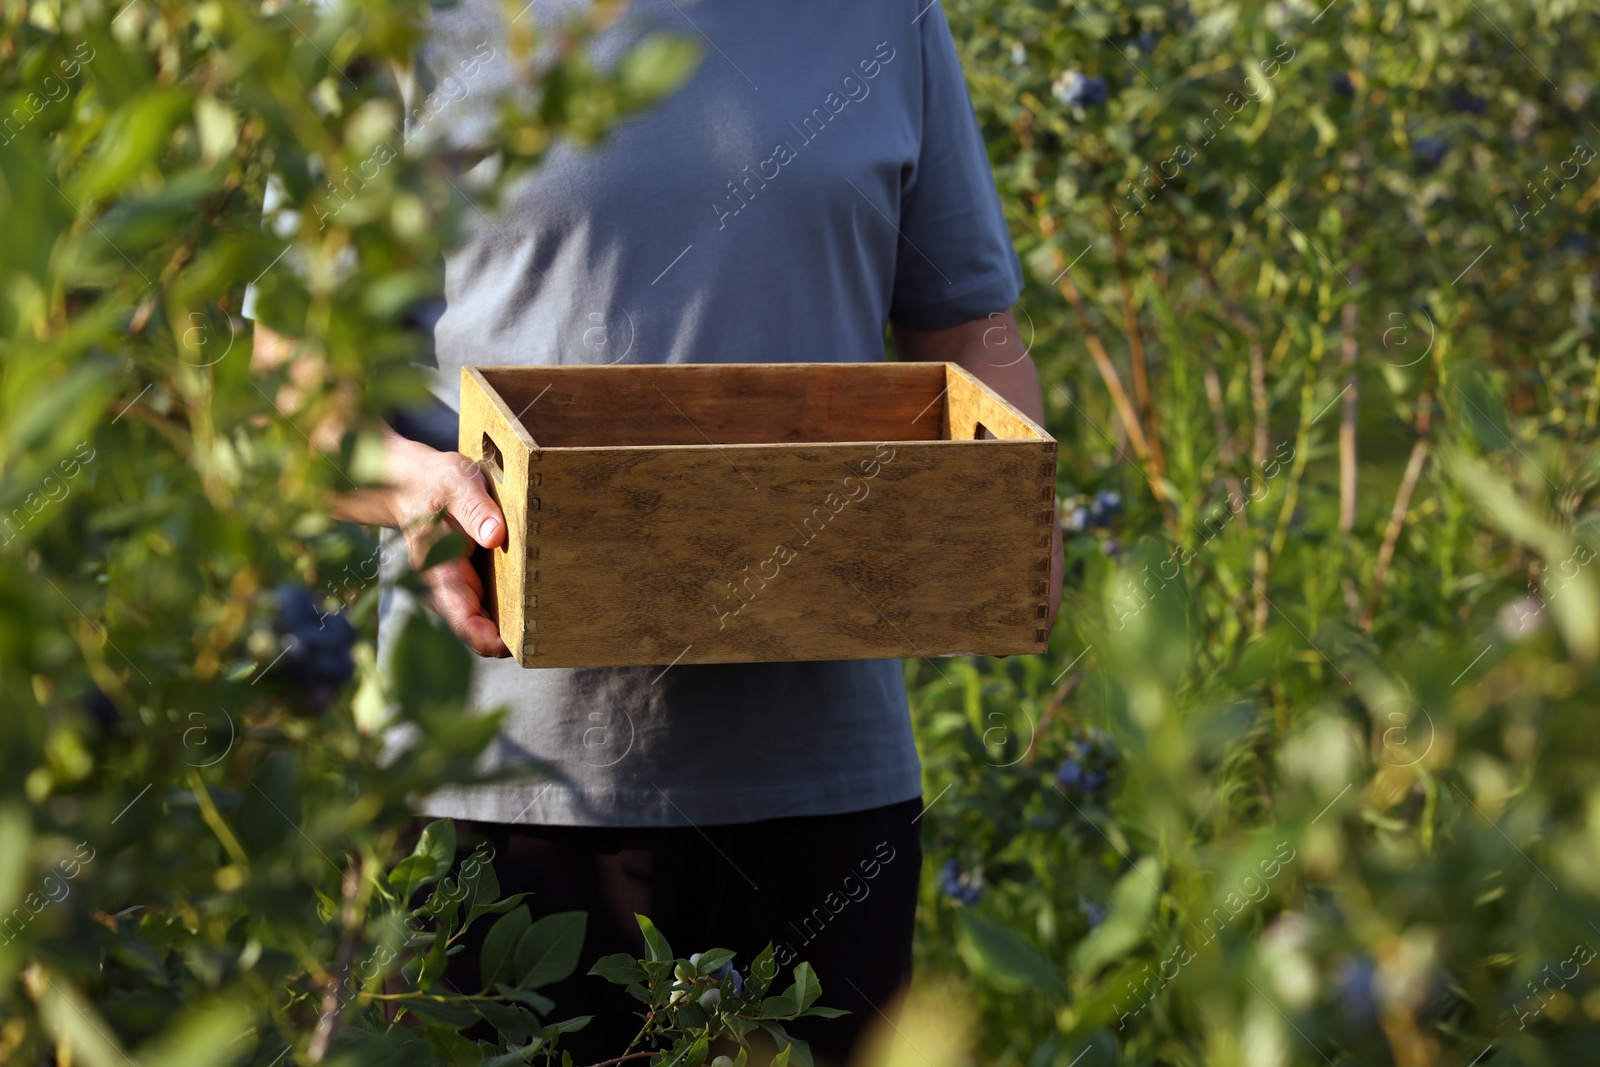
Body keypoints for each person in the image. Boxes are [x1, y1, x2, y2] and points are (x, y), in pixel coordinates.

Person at [251, 0, 1064, 1060]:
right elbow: (286, 379)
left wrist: (1021, 503)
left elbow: (966, 325)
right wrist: (416, 488)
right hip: (502, 776)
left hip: (825, 781)